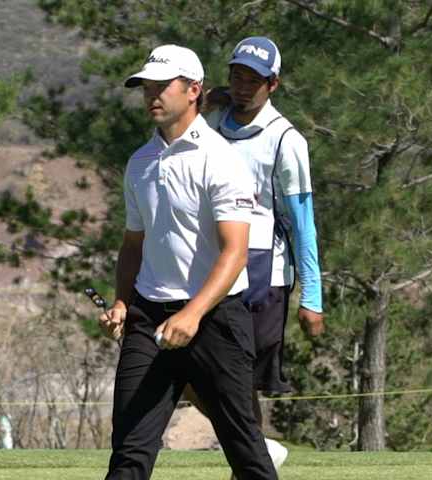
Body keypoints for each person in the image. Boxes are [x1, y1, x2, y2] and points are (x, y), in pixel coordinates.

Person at [100, 44, 277, 480]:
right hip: (148, 318)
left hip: (215, 319)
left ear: (194, 90)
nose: (151, 96)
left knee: (246, 451)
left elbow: (236, 252)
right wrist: (122, 302)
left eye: (163, 86)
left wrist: (193, 314)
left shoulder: (221, 159)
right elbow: (133, 245)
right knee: (129, 453)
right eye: (146, 87)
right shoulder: (139, 162)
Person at [184, 36, 326, 474]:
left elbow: (303, 221)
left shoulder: (287, 141)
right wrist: (204, 106)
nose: (244, 87)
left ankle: (252, 463)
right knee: (191, 372)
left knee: (238, 379)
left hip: (265, 273)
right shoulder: (209, 126)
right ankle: (259, 453)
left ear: (273, 84)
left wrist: (312, 296)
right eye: (237, 77)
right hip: (210, 265)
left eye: (255, 80)